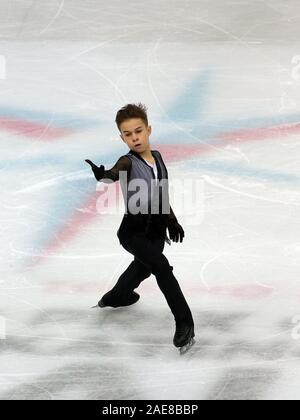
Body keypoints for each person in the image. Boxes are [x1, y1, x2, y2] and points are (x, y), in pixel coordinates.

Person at [85, 103, 195, 353]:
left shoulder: (157, 158)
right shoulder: (127, 162)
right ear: (121, 137)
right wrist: (104, 175)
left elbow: (161, 195)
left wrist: (171, 220)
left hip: (155, 233)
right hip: (133, 233)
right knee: (161, 268)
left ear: (148, 130)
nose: (134, 137)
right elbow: (113, 174)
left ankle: (115, 297)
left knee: (141, 269)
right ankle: (185, 323)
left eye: (138, 131)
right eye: (128, 134)